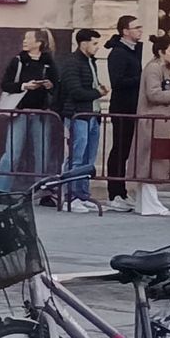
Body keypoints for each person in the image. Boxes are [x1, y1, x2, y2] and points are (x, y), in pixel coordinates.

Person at [0, 29, 59, 193]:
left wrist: (49, 85)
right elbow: (5, 84)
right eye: (25, 38)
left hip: (41, 114)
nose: (25, 41)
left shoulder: (48, 62)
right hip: (19, 112)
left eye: (29, 38)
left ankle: (41, 191)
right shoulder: (18, 61)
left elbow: (56, 86)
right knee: (12, 153)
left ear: (39, 43)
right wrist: (24, 86)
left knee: (42, 154)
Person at [58, 28, 109, 213]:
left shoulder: (90, 62)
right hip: (77, 115)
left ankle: (83, 194)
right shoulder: (72, 63)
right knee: (76, 158)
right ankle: (69, 197)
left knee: (88, 158)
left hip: (92, 115)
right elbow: (75, 91)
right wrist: (98, 93)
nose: (97, 47)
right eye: (94, 43)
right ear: (83, 43)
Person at [131, 36, 170, 217]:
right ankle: (151, 204)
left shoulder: (161, 68)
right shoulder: (154, 68)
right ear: (161, 52)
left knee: (152, 161)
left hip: (157, 121)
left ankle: (145, 203)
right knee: (151, 162)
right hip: (153, 120)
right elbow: (153, 94)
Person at [104, 15, 144, 212]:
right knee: (118, 150)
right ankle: (114, 193)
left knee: (124, 150)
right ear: (125, 31)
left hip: (131, 108)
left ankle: (122, 191)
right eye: (136, 28)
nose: (140, 30)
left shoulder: (133, 51)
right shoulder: (118, 53)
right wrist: (141, 79)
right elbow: (117, 82)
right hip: (121, 108)